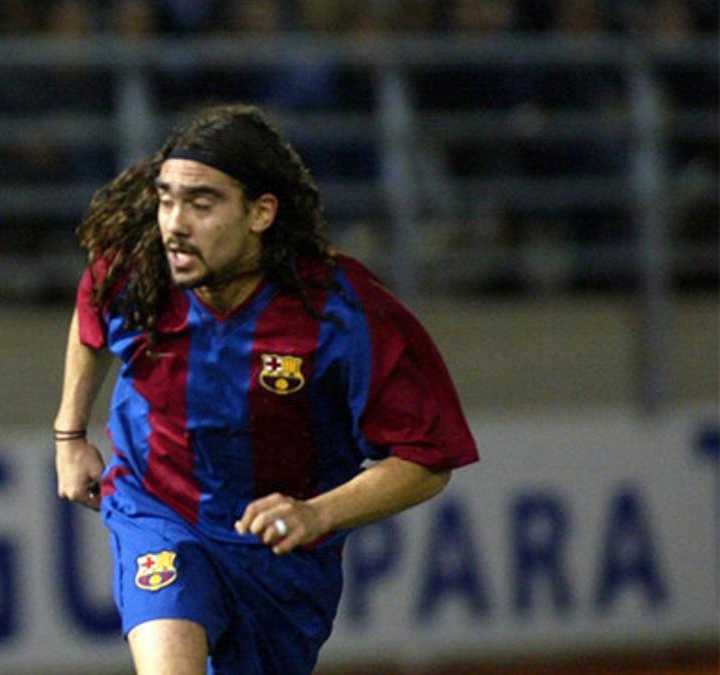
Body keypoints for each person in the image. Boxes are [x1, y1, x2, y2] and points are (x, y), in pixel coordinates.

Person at [53, 104, 478, 675]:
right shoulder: (138, 269)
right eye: (166, 199)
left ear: (261, 212)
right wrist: (70, 432)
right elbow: (91, 315)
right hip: (159, 508)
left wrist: (316, 514)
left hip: (281, 559)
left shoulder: (340, 309)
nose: (174, 223)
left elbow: (426, 458)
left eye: (201, 204)